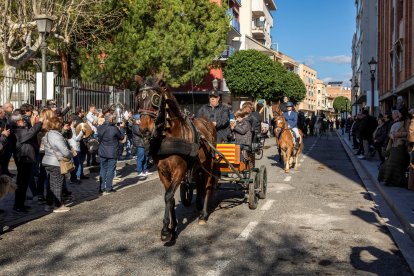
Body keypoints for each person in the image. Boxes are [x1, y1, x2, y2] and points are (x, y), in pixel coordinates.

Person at [12, 113, 43, 212]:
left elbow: (31, 130)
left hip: (27, 159)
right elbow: (31, 132)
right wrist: (39, 122)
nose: (24, 121)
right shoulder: (17, 131)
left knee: (24, 183)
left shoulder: (22, 129)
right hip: (23, 159)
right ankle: (17, 205)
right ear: (17, 122)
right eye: (21, 120)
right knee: (21, 183)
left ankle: (21, 204)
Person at [42, 117, 72, 212]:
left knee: (51, 184)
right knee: (57, 184)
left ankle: (49, 204)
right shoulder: (56, 136)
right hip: (56, 162)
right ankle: (58, 205)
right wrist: (70, 154)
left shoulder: (47, 134)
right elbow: (64, 151)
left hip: (47, 160)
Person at [97, 114, 124, 195]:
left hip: (102, 151)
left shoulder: (100, 127)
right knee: (110, 170)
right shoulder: (114, 129)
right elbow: (121, 137)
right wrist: (122, 128)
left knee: (103, 169)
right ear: (111, 120)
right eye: (113, 119)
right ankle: (108, 187)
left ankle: (101, 188)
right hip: (112, 152)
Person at [132, 114, 147, 179]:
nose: (140, 121)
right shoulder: (135, 126)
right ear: (136, 120)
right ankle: (139, 171)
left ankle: (144, 170)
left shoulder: (139, 125)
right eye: (139, 120)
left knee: (145, 157)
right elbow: (140, 133)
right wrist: (146, 132)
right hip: (139, 143)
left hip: (143, 143)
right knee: (140, 157)